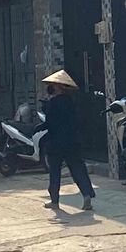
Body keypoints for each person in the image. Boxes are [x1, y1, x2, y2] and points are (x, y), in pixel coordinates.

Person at [41, 70, 95, 212]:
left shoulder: (53, 103)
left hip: (56, 143)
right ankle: (87, 195)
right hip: (72, 141)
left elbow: (49, 123)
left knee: (55, 172)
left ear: (58, 87)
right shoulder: (72, 102)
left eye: (53, 85)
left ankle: (54, 201)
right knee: (78, 169)